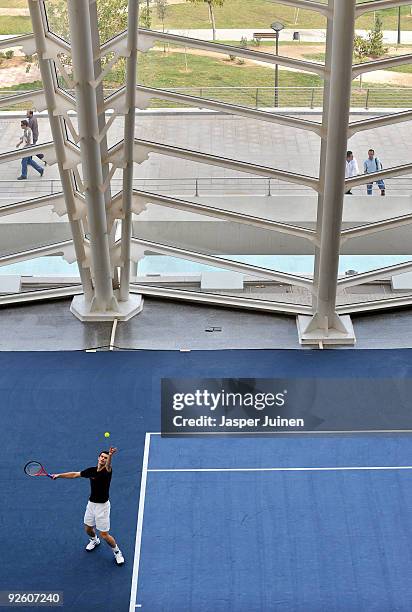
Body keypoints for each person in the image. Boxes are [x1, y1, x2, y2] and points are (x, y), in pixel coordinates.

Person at [52, 447, 125, 565]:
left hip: (103, 507)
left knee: (105, 535)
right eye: (102, 456)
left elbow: (108, 465)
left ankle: (117, 552)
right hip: (91, 504)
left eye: (105, 458)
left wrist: (110, 455)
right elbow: (75, 474)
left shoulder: (107, 470)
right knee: (88, 528)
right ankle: (94, 540)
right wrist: (58, 475)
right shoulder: (91, 470)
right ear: (98, 458)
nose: (103, 459)